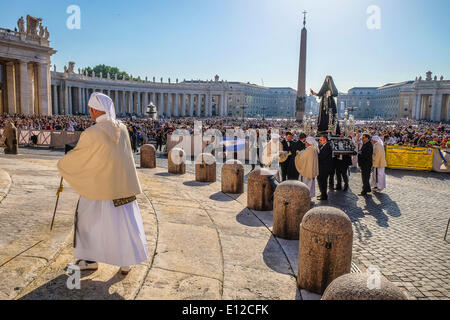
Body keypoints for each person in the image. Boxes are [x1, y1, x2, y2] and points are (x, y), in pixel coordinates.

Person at [57, 93, 148, 275]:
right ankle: (126, 261)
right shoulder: (122, 128)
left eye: (90, 110)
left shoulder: (91, 133)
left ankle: (89, 259)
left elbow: (80, 158)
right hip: (122, 187)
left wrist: (64, 163)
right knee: (124, 223)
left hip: (98, 187)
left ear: (93, 110)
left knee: (87, 221)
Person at [317, 135, 333, 200]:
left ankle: (324, 195)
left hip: (325, 168)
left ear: (325, 140)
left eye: (321, 140)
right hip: (322, 167)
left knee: (323, 181)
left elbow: (322, 157)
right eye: (319, 140)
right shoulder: (323, 146)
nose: (320, 141)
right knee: (321, 180)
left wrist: (315, 156)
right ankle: (322, 193)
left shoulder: (327, 146)